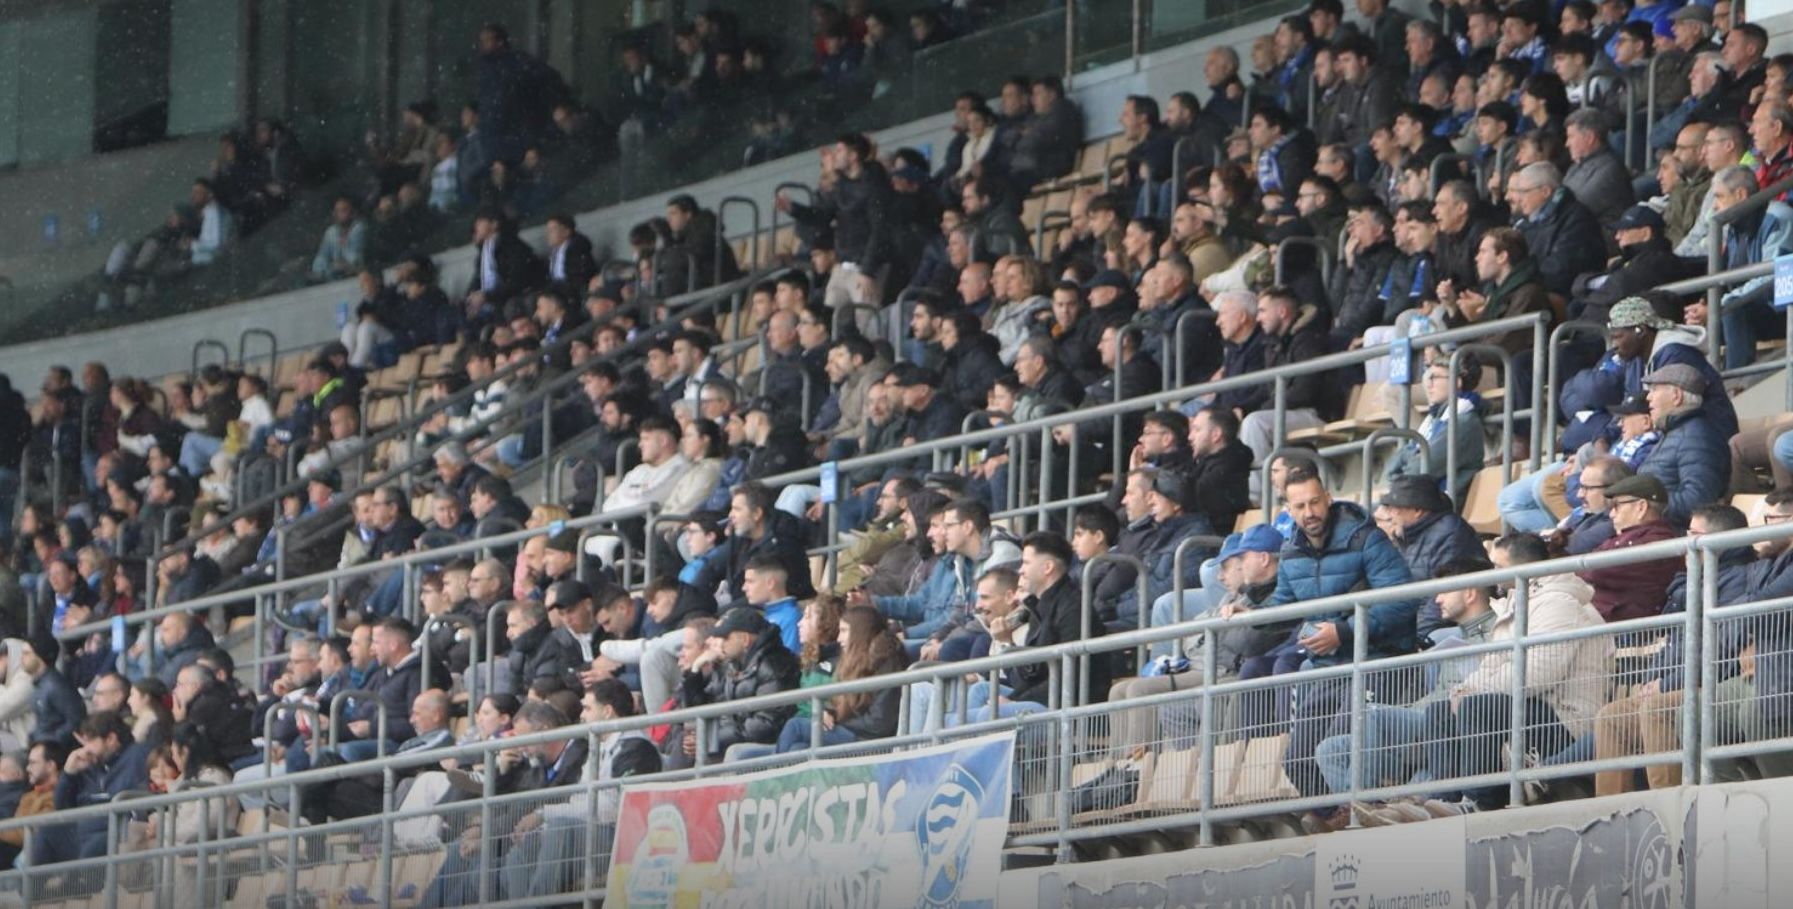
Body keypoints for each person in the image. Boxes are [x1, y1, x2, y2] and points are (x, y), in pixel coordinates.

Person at [1268, 469, 1419, 812]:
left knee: (1339, 747)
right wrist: (1245, 608)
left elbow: (1403, 599)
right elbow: (1281, 605)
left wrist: (1344, 631)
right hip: (1329, 668)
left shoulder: (1366, 538)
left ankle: (1362, 817)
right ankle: (1337, 818)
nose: (1310, 512)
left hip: (1378, 661)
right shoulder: (1291, 551)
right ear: (1289, 511)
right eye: (1300, 505)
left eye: (1315, 502)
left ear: (1329, 499)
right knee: (1298, 760)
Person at [776, 605, 907, 752]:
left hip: (869, 741)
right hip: (855, 732)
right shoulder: (859, 660)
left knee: (796, 726)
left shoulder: (887, 663)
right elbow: (850, 708)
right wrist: (830, 712)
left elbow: (878, 724)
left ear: (860, 632)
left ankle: (773, 774)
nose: (839, 638)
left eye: (844, 631)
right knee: (795, 749)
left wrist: (839, 720)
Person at [690, 608, 800, 763]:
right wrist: (694, 672)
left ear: (744, 639)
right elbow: (708, 703)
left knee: (728, 753)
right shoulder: (734, 664)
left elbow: (767, 724)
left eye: (725, 637)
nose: (720, 643)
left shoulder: (775, 666)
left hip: (772, 744)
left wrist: (713, 739)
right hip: (738, 739)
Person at [1577, 474, 1683, 622]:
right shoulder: (1627, 537)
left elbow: (1600, 571)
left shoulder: (1658, 541)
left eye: (1616, 506)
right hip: (1599, 623)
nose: (1612, 514)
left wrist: (1576, 571)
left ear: (1641, 507)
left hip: (1624, 634)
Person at [1637, 363, 1730, 525]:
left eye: (1654, 390)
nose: (1648, 397)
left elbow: (1699, 501)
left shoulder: (1697, 436)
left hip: (1670, 534)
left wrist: (1646, 505)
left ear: (1676, 396)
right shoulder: (1676, 433)